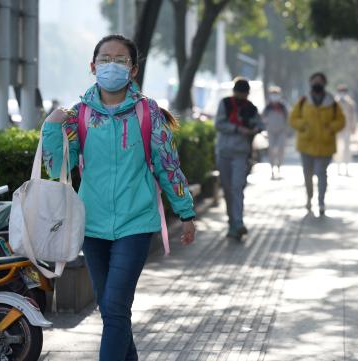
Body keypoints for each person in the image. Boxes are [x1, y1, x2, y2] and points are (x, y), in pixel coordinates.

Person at [42, 35, 196, 361]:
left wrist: (186, 213)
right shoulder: (78, 115)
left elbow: (168, 166)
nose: (111, 65)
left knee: (114, 307)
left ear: (133, 69)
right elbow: (60, 169)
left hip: (136, 224)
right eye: (105, 58)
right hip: (92, 225)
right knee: (112, 311)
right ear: (93, 65)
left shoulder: (148, 113)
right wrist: (52, 130)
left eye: (120, 60)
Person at [289, 72, 345, 215]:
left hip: (325, 145)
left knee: (321, 173)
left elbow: (341, 121)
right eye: (315, 81)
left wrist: (330, 128)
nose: (317, 84)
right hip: (306, 144)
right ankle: (309, 197)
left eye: (320, 81)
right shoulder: (303, 101)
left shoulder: (331, 102)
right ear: (310, 83)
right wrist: (303, 125)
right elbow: (293, 119)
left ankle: (321, 201)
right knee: (307, 174)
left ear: (324, 84)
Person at [215, 78, 265, 240]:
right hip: (224, 152)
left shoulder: (251, 108)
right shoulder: (225, 104)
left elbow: (261, 125)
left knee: (237, 188)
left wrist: (255, 129)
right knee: (228, 189)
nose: (241, 96)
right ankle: (232, 222)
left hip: (241, 154)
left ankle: (238, 222)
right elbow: (218, 124)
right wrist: (238, 129)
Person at [262, 86, 289, 179]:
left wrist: (287, 130)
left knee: (281, 150)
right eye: (273, 94)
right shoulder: (268, 107)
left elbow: (288, 118)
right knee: (271, 151)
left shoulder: (283, 106)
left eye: (276, 94)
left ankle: (279, 168)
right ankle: (272, 170)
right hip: (270, 132)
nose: (274, 96)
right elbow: (263, 118)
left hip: (281, 131)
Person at [335, 84, 357, 176]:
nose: (342, 93)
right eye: (341, 92)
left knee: (347, 149)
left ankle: (347, 169)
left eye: (344, 92)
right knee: (337, 150)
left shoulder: (350, 103)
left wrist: (353, 127)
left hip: (347, 128)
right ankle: (338, 169)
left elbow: (353, 116)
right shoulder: (334, 103)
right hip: (337, 129)